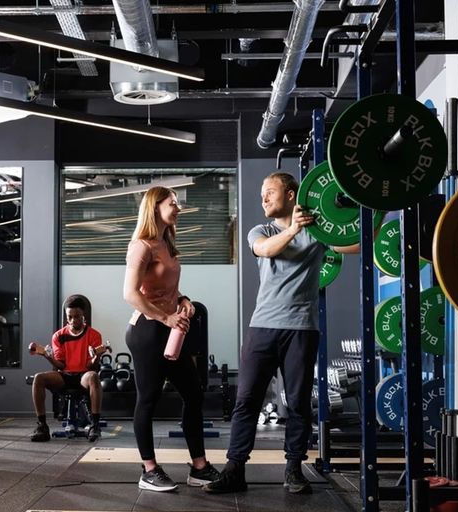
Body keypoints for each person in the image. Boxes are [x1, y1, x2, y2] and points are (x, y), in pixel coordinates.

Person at [204, 172, 359, 495]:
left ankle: (294, 469)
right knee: (246, 400)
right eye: (262, 193)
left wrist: (373, 212)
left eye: (270, 192)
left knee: (298, 403)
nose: (263, 198)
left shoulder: (316, 232)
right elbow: (265, 250)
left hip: (302, 328)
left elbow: (355, 243)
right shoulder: (261, 231)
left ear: (290, 195)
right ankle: (235, 469)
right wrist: (293, 230)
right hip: (263, 326)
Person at [123, 186, 219, 492]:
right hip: (147, 330)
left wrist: (184, 300)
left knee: (193, 393)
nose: (178, 208)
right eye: (172, 203)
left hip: (170, 329)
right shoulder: (141, 246)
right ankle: (149, 470)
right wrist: (165, 317)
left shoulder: (165, 243)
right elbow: (130, 294)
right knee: (148, 399)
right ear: (155, 207)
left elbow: (166, 290)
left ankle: (199, 468)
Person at [29, 296, 108, 443]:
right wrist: (47, 356)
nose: (72, 320)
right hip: (65, 375)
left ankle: (95, 425)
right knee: (39, 378)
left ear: (83, 315)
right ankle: (42, 426)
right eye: (69, 317)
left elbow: (91, 366)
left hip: (84, 375)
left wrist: (97, 356)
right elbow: (61, 365)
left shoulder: (94, 335)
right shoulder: (58, 336)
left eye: (76, 316)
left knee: (93, 376)